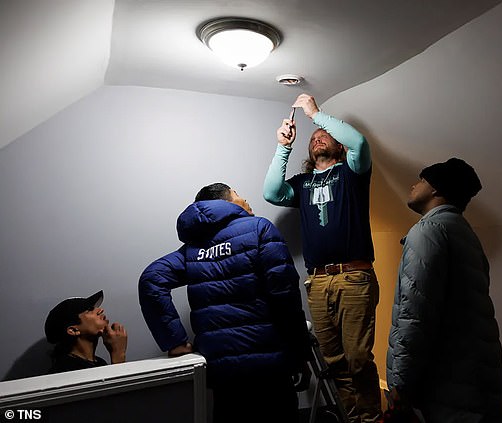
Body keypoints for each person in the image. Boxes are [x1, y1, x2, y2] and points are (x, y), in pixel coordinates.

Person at [138, 183, 312, 423]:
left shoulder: (192, 250)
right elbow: (285, 297)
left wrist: (174, 341)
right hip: (269, 367)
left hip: (223, 372)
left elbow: (151, 279)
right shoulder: (259, 228)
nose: (245, 198)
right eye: (238, 193)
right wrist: (300, 354)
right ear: (226, 202)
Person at [263, 93, 382, 423]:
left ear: (337, 145)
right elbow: (271, 192)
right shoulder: (302, 184)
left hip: (353, 276)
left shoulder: (353, 173)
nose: (318, 137)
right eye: (313, 138)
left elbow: (358, 141)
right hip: (317, 281)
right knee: (335, 362)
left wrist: (315, 114)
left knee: (358, 358)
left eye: (324, 134)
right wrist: (283, 146)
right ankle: (351, 419)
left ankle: (371, 419)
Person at [386, 158, 502, 422]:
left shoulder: (428, 231)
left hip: (449, 386)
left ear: (435, 188)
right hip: (476, 383)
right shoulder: (464, 233)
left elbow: (415, 313)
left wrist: (400, 383)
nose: (413, 185)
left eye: (421, 180)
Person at [44, 290, 127, 373]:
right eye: (90, 310)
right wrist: (118, 355)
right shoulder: (65, 371)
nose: (100, 310)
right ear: (73, 330)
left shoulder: (99, 363)